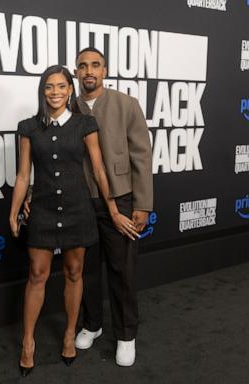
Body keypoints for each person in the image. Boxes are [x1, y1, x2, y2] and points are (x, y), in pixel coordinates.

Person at [9, 65, 131, 376]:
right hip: (44, 210)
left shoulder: (84, 124)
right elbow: (24, 174)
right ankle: (28, 342)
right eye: (49, 87)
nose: (55, 93)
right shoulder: (27, 127)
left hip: (78, 208)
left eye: (61, 86)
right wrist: (13, 210)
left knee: (75, 272)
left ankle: (68, 335)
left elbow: (100, 170)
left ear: (70, 89)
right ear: (42, 90)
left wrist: (113, 208)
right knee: (37, 274)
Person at [73, 47, 153, 367]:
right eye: (82, 66)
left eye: (95, 65)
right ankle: (92, 324)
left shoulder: (125, 104)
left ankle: (125, 334)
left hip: (120, 198)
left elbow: (142, 157)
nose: (89, 70)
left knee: (122, 270)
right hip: (82, 201)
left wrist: (143, 203)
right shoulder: (68, 108)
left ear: (105, 70)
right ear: (76, 72)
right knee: (87, 269)